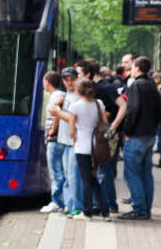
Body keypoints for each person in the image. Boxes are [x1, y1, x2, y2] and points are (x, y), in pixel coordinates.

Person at [50, 78, 110, 221]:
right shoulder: (98, 103)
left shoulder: (75, 106)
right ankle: (105, 211)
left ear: (77, 90)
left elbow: (72, 131)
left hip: (82, 147)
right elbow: (105, 123)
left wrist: (76, 139)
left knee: (86, 180)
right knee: (94, 179)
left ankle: (87, 212)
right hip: (96, 147)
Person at [78, 58, 124, 214]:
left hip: (102, 137)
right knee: (103, 170)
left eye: (79, 74)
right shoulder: (101, 87)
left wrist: (112, 128)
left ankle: (106, 204)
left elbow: (124, 106)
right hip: (97, 136)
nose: (78, 78)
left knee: (103, 171)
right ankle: (107, 203)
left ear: (88, 74)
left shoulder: (104, 87)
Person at [120, 56, 161, 220]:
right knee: (146, 173)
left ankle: (139, 208)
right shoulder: (152, 84)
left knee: (131, 173)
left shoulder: (136, 85)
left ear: (137, 68)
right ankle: (145, 208)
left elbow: (133, 110)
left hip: (136, 134)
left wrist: (127, 131)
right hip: (150, 134)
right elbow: (160, 109)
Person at [56, 67, 83, 217]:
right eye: (66, 80)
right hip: (65, 140)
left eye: (72, 79)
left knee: (73, 176)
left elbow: (76, 119)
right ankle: (69, 204)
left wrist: (58, 113)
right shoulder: (67, 95)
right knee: (67, 175)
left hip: (73, 141)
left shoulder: (78, 96)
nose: (69, 82)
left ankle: (76, 206)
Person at [40, 71, 67, 214]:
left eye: (44, 81)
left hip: (54, 139)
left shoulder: (57, 96)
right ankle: (60, 200)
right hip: (57, 139)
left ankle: (58, 202)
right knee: (58, 171)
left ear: (47, 82)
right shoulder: (58, 95)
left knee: (56, 172)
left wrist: (52, 130)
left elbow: (57, 112)